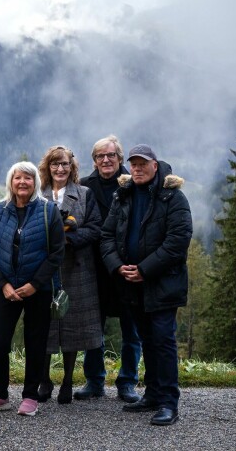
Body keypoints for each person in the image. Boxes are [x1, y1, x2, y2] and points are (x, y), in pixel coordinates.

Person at [101, 144, 191, 426]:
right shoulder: (123, 195)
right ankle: (152, 394)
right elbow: (106, 236)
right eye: (134, 164)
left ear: (155, 165)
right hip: (131, 284)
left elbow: (177, 242)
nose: (138, 169)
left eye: (143, 164)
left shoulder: (173, 197)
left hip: (162, 284)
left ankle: (168, 402)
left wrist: (145, 269)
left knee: (163, 341)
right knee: (147, 340)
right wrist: (118, 266)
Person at [0, 161, 63, 416]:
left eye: (28, 178)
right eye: (18, 178)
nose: (22, 182)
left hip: (38, 290)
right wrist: (2, 284)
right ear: (11, 182)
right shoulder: (0, 212)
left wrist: (34, 284)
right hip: (6, 289)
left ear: (35, 182)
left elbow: (57, 252)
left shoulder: (49, 211)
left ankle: (30, 396)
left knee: (35, 342)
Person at [77, 134, 142, 403]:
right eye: (100, 156)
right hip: (94, 268)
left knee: (132, 329)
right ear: (94, 161)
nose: (106, 160)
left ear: (119, 158)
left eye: (111, 155)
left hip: (127, 267)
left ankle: (127, 382)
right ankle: (94, 381)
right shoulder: (83, 186)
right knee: (93, 329)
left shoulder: (134, 182)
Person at [35, 146, 103, 404]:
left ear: (72, 167)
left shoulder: (84, 194)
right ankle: (44, 380)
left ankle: (67, 381)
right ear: (47, 167)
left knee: (72, 327)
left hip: (77, 268)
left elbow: (95, 228)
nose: (60, 169)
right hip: (43, 269)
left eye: (64, 164)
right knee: (44, 325)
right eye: (55, 164)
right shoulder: (37, 194)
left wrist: (68, 239)